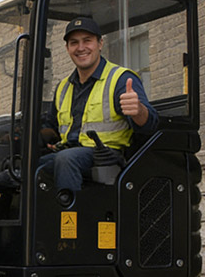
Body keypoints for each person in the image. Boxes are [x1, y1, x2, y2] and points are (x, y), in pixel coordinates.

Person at [39, 17, 158, 192]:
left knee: (66, 159)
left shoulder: (120, 79)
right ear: (67, 48)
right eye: (74, 43)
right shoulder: (63, 87)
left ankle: (71, 217)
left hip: (106, 155)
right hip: (69, 152)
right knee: (22, 167)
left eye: (87, 41)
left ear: (100, 43)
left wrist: (138, 110)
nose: (80, 48)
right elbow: (51, 127)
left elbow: (150, 125)